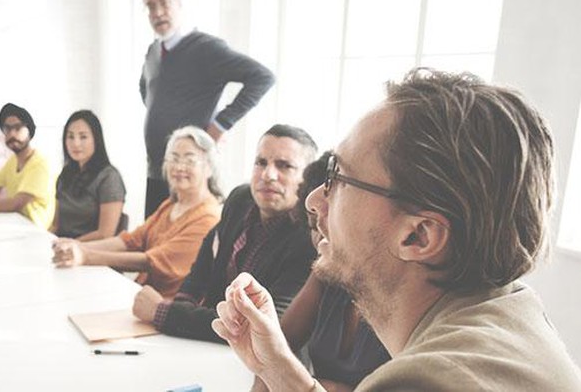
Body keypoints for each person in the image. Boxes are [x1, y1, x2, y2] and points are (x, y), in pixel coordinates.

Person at [211, 68, 581, 391]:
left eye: (336, 177)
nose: (313, 201)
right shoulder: (512, 306)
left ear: (418, 236)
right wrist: (276, 369)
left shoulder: (422, 382)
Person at [131, 124, 318, 343]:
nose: (268, 175)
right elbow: (203, 269)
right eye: (261, 163)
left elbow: (265, 326)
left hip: (261, 365)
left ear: (306, 180)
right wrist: (181, 306)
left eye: (284, 166)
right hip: (210, 345)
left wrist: (165, 312)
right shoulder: (241, 199)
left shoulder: (310, 239)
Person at [140, 0, 275, 218]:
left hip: (190, 173)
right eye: (150, 6)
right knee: (149, 244)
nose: (158, 12)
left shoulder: (206, 48)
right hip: (156, 170)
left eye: (164, 3)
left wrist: (221, 124)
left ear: (179, 4)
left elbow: (262, 77)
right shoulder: (153, 52)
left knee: (182, 248)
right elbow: (146, 90)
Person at [52, 126, 221, 298]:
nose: (179, 167)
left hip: (167, 307)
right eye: (174, 158)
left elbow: (150, 262)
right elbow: (130, 241)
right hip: (140, 293)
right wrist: (77, 246)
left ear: (209, 168)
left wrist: (86, 256)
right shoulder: (171, 204)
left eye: (189, 160)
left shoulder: (208, 217)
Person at [280, 151, 390, 392]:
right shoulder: (327, 271)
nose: (321, 238)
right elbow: (279, 344)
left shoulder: (407, 291)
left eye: (327, 224)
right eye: (312, 227)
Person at [51, 110, 126, 240]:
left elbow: (105, 234)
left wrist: (71, 245)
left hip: (92, 252)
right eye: (70, 136)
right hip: (63, 247)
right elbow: (56, 225)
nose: (76, 143)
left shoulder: (109, 178)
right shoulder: (66, 174)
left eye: (83, 137)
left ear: (96, 139)